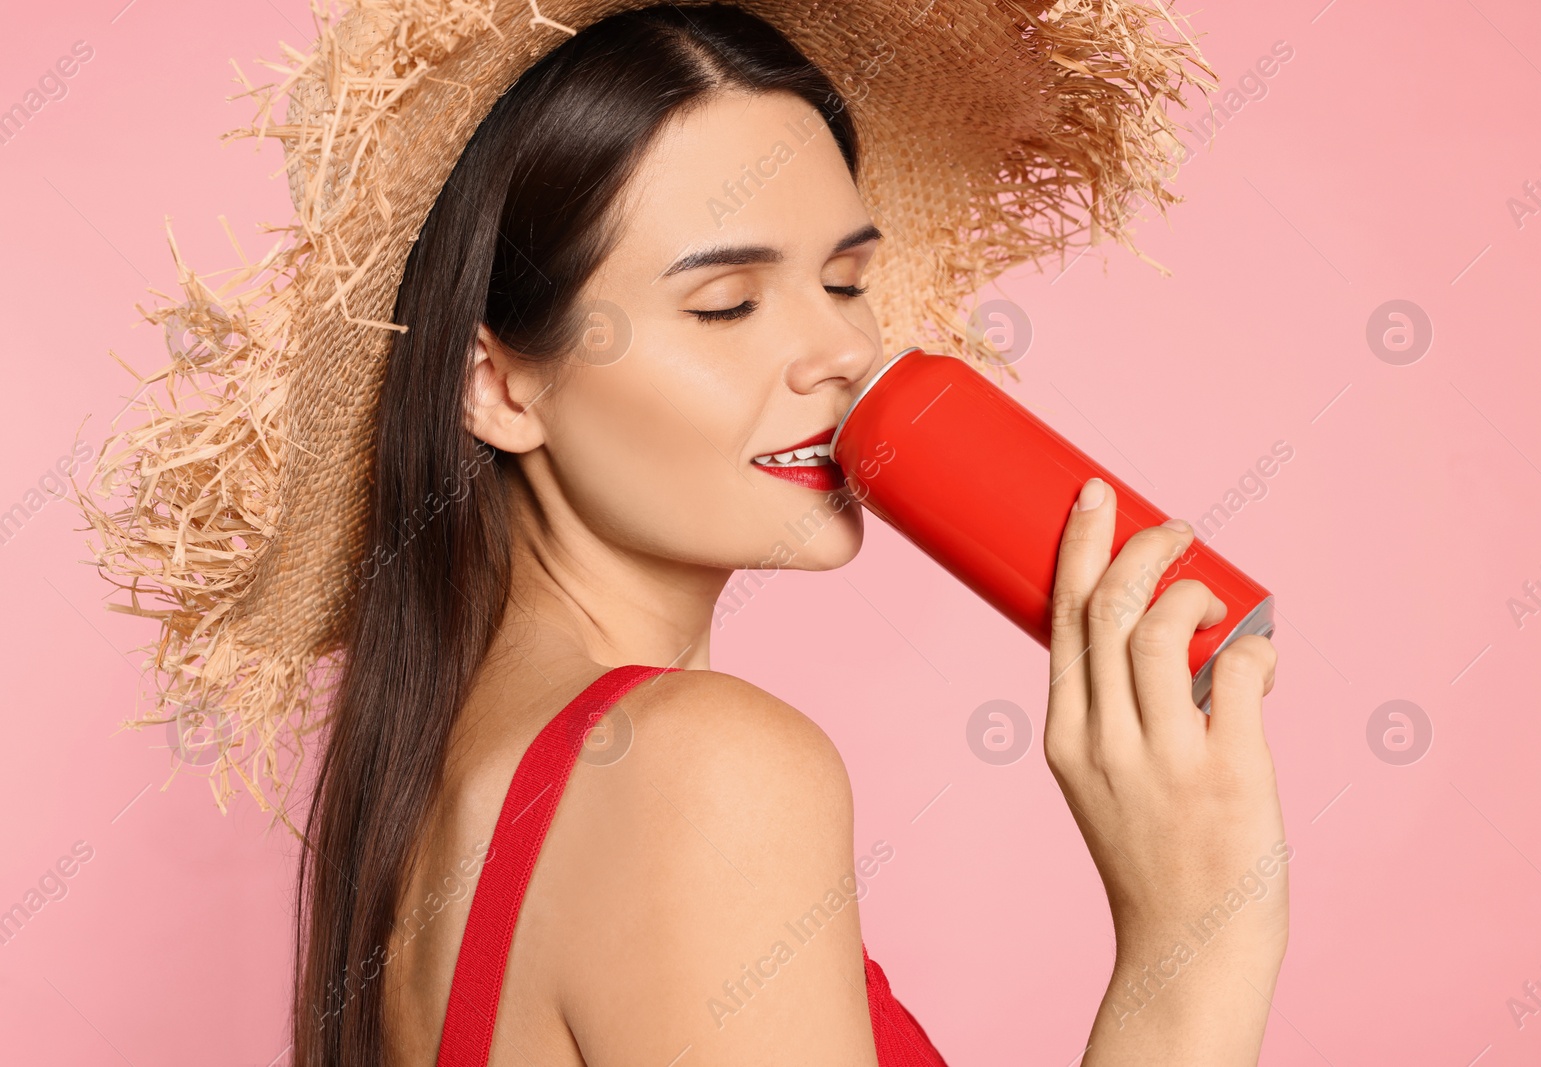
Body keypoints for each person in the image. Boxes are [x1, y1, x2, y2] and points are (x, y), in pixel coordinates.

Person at [76, 2, 1282, 1064]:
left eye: (849, 281)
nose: (845, 351)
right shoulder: (702, 771)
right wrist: (1194, 935)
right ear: (495, 384)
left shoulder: (430, 797)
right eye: (724, 303)